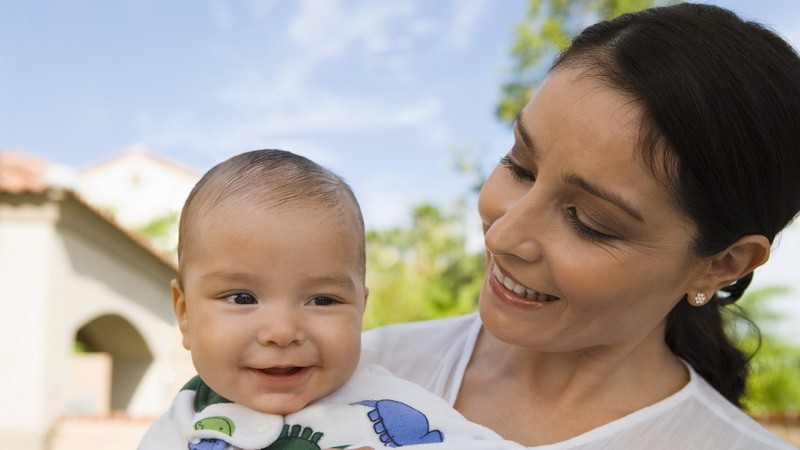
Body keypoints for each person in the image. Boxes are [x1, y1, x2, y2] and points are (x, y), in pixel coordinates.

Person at [362, 3, 800, 449]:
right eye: (519, 166)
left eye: (590, 221)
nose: (501, 236)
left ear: (723, 264)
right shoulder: (359, 369)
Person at [139, 150, 522, 450]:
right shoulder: (183, 421)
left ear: (360, 310)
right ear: (185, 314)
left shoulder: (394, 407)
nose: (282, 332)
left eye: (322, 300)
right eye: (242, 297)